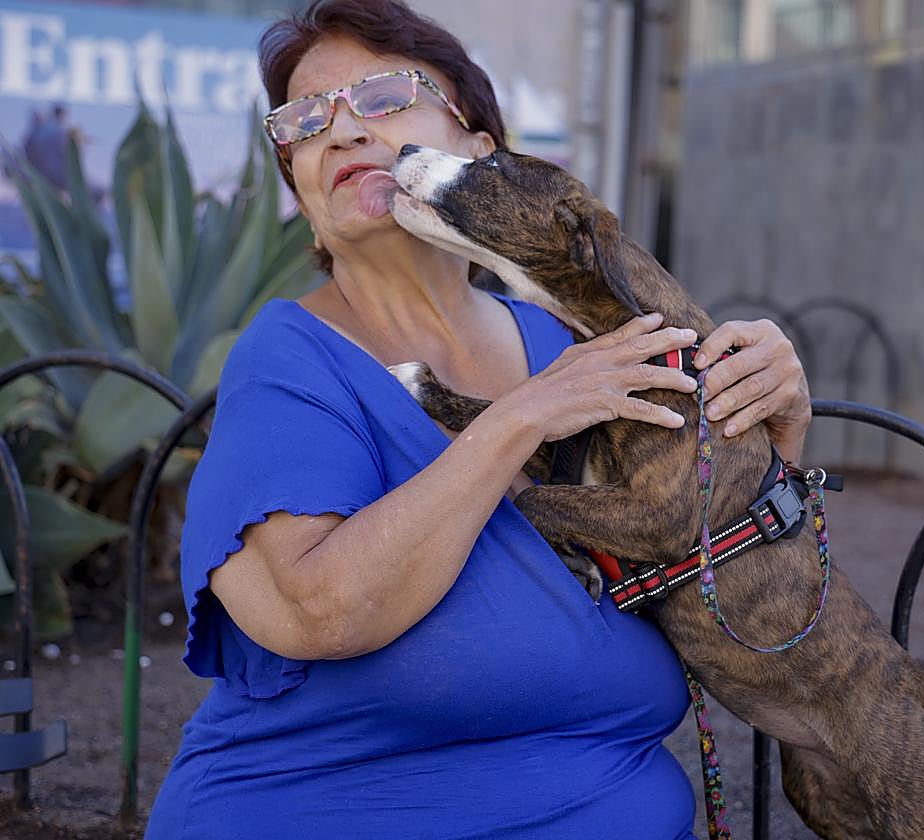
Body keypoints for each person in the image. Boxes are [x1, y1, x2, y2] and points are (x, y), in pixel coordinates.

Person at [146, 1, 811, 837]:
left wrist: (774, 424)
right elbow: (313, 611)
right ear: (303, 198)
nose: (343, 132)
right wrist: (518, 420)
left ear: (480, 153)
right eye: (305, 121)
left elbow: (735, 587)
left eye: (386, 95)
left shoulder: (569, 342)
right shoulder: (289, 359)